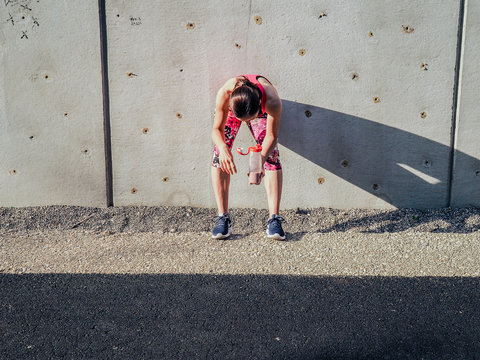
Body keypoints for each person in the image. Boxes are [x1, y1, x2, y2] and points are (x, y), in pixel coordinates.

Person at [211, 74, 285, 240]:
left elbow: (272, 136)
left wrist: (259, 163)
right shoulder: (225, 93)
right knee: (218, 155)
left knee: (271, 156)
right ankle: (223, 217)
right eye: (242, 120)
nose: (245, 123)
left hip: (261, 108)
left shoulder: (271, 100)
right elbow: (216, 130)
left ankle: (274, 219)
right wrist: (223, 149)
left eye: (249, 120)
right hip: (236, 107)